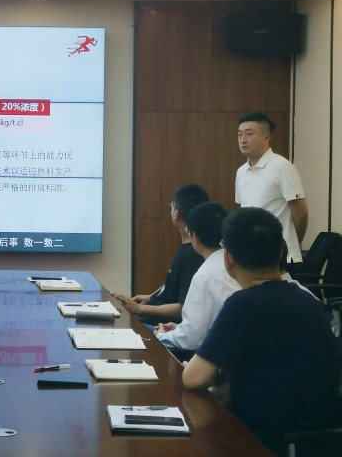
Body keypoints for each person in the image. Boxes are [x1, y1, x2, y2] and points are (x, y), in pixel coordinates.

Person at [183, 207, 339, 455]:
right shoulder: (308, 300)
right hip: (319, 443)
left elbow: (193, 378)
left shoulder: (242, 305)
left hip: (264, 443)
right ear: (280, 253)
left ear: (228, 259)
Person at [112, 184, 208, 326]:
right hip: (153, 318)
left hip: (162, 326)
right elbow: (173, 291)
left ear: (176, 214)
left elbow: (183, 307)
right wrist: (150, 298)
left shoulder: (193, 255)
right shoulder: (187, 248)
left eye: (172, 206)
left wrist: (139, 309)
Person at [155, 201, 240, 361]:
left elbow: (190, 340)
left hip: (214, 360)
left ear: (194, 236)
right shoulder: (235, 263)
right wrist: (180, 328)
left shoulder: (204, 275)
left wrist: (161, 336)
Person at [235, 112, 308, 269]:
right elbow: (243, 211)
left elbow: (301, 212)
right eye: (240, 134)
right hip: (252, 253)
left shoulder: (282, 166)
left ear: (266, 137)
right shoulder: (241, 171)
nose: (243, 140)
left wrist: (292, 243)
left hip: (280, 255)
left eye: (249, 134)